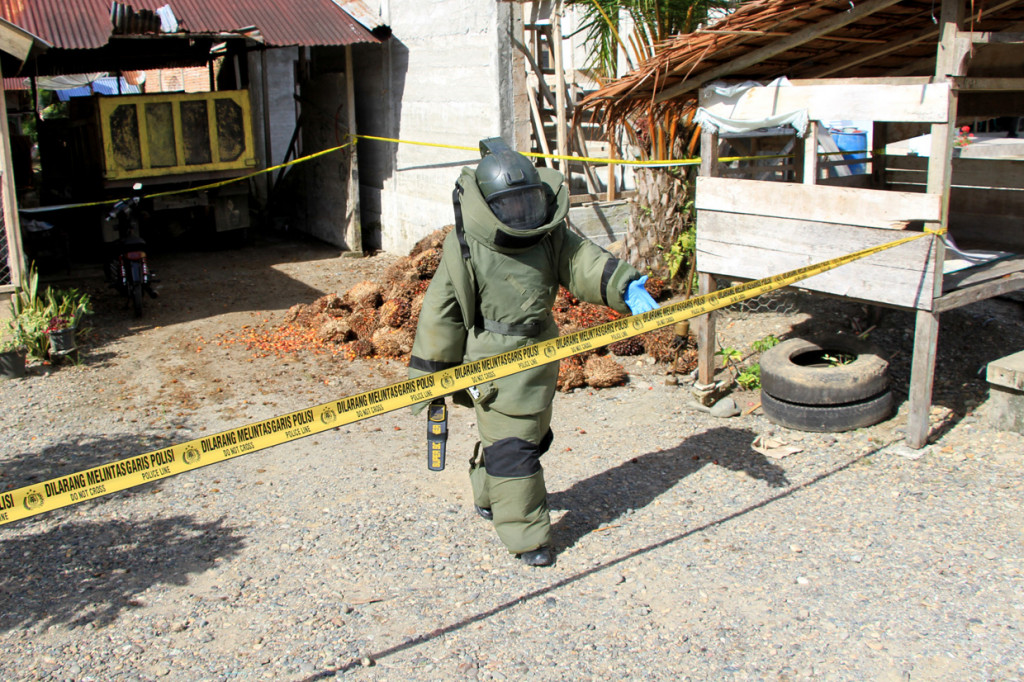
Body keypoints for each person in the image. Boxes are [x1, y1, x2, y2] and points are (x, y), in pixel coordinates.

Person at [408, 138, 658, 566]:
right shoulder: (466, 244)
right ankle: (526, 536)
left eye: (529, 203)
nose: (522, 214)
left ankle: (488, 490)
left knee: (532, 437)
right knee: (516, 449)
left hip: (541, 351)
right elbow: (440, 311)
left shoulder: (548, 234)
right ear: (490, 206)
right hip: (492, 358)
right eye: (511, 206)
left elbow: (582, 262)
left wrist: (624, 285)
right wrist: (430, 377)